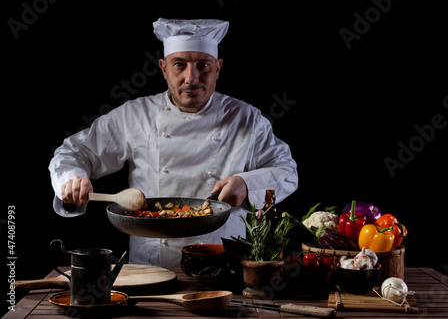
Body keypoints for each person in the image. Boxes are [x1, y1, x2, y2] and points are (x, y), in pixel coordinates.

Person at [49, 18, 298, 267]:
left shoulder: (246, 118)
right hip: (149, 268)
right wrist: (71, 178)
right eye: (180, 65)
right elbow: (73, 151)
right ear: (164, 68)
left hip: (224, 265)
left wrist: (247, 185)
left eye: (204, 66)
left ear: (218, 68)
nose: (192, 78)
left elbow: (287, 172)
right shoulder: (135, 115)